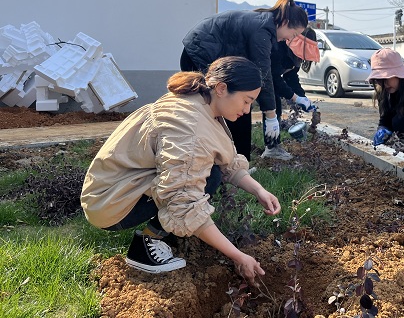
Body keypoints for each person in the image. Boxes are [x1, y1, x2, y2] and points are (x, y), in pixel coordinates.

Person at [80, 56, 281, 283]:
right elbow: (183, 201)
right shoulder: (190, 128)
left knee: (211, 171)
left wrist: (259, 191)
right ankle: (145, 246)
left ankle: (167, 233)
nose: (247, 110)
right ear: (222, 88)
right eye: (246, 100)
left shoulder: (201, 101)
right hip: (110, 205)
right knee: (206, 179)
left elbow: (227, 162)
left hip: (112, 186)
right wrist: (238, 256)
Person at [180, 0, 309, 161]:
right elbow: (264, 75)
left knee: (239, 105)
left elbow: (264, 75)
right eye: (294, 33)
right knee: (215, 106)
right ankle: (210, 158)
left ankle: (237, 161)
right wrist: (270, 115)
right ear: (285, 22)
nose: (291, 39)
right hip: (200, 52)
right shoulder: (263, 29)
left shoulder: (267, 26)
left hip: (212, 53)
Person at [263, 27, 320, 158]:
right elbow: (274, 79)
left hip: (270, 77)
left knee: (274, 107)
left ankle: (272, 146)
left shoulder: (296, 55)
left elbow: (291, 77)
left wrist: (303, 97)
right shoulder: (278, 48)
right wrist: (294, 98)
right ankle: (271, 148)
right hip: (258, 75)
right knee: (272, 106)